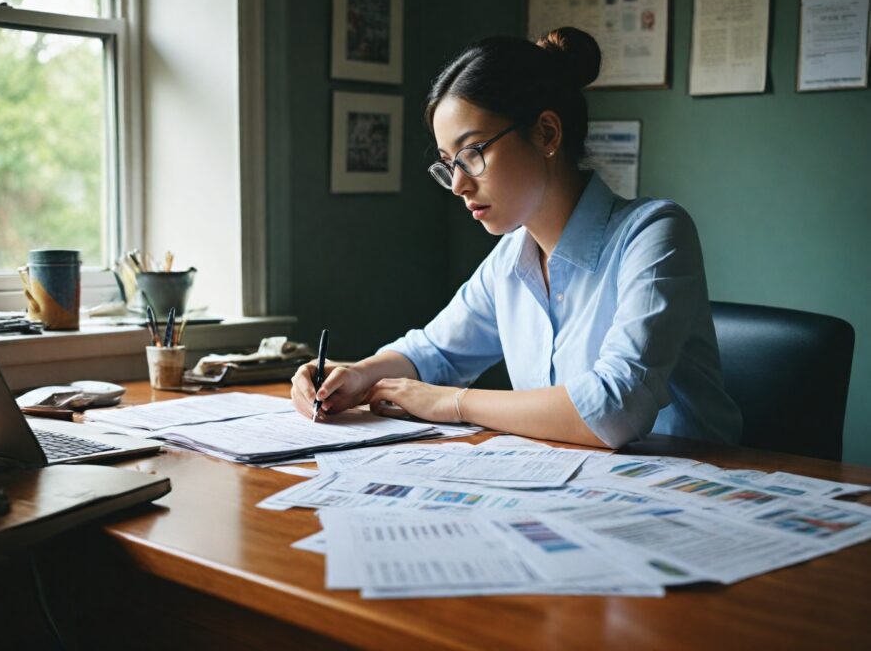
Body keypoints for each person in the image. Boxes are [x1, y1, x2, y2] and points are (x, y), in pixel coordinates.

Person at [291, 27, 742, 449]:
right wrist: (354, 376)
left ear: (546, 133)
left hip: (699, 487)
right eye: (449, 164)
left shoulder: (654, 234)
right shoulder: (511, 259)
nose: (458, 185)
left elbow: (615, 407)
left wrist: (451, 403)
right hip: (573, 489)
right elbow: (435, 352)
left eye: (472, 154)